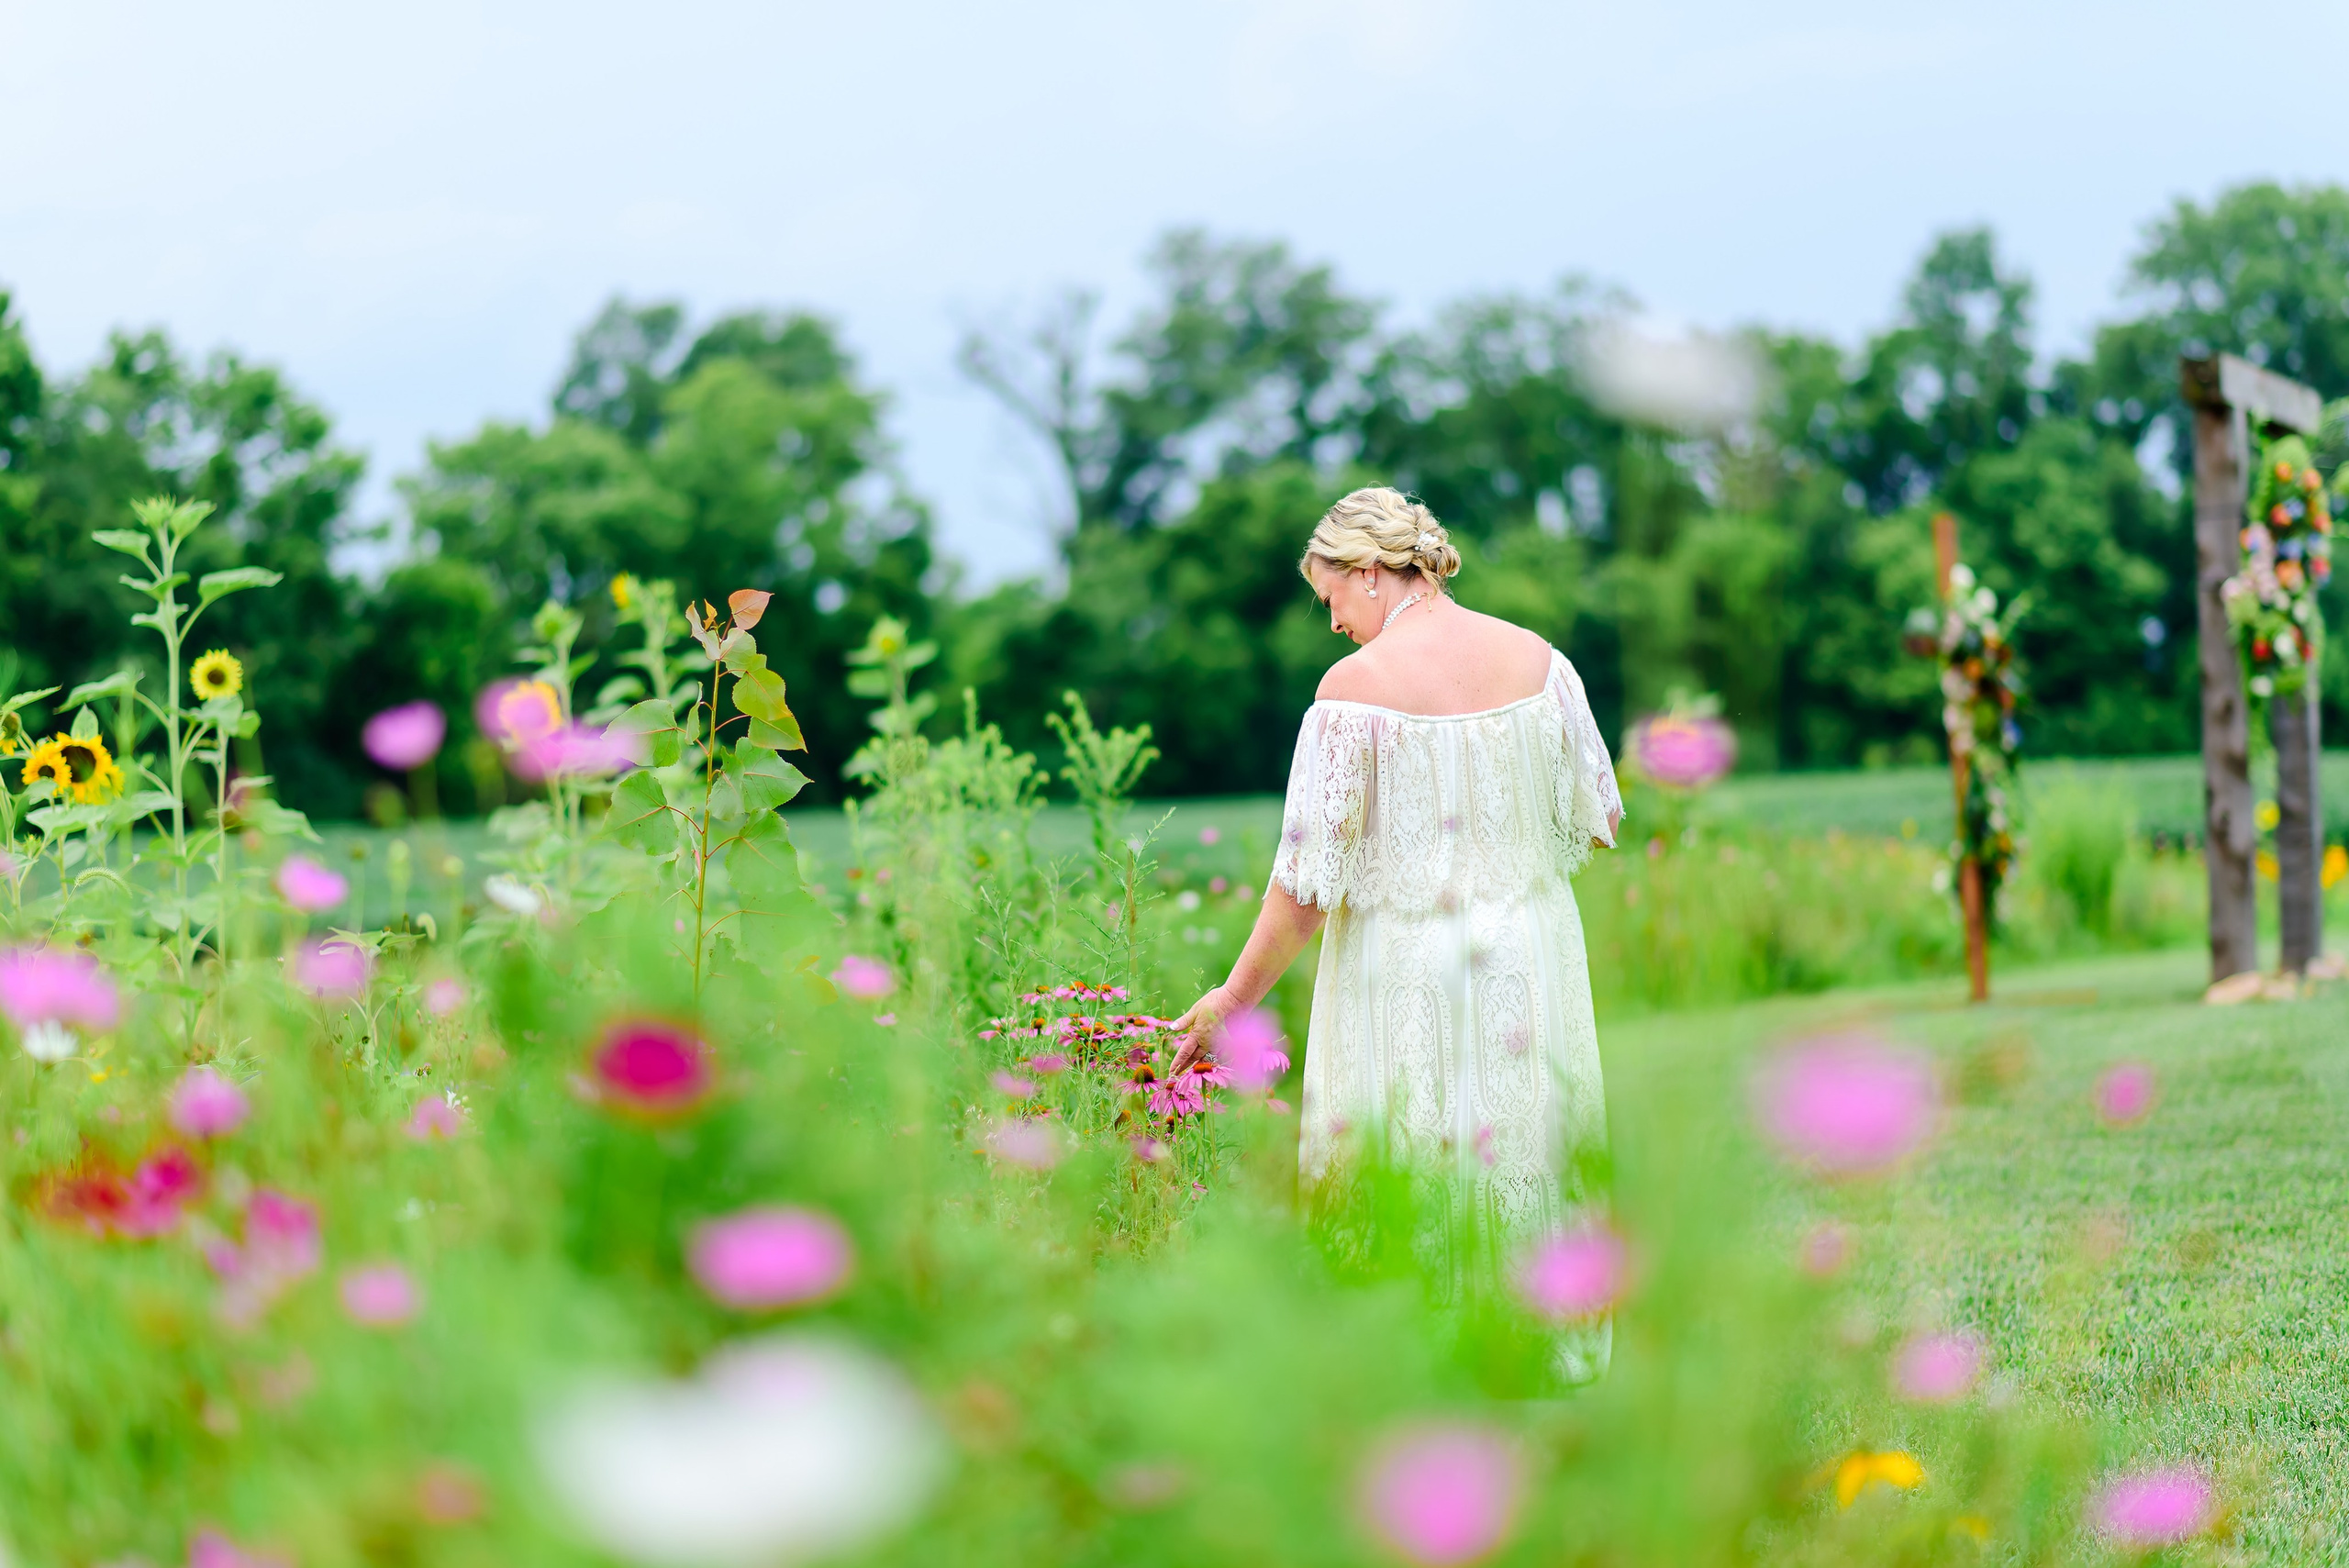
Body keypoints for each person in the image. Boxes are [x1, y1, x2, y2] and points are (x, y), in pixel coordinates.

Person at [1171, 485, 1622, 1377]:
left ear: (1371, 572)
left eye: (1330, 596)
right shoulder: (1542, 662)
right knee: (1517, 1151)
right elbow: (1599, 817)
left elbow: (1303, 887)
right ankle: (1529, 1357)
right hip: (1526, 960)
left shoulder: (1354, 692)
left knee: (1412, 1150)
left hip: (1407, 967)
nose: (1333, 622)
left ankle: (1420, 1370)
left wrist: (1232, 999)